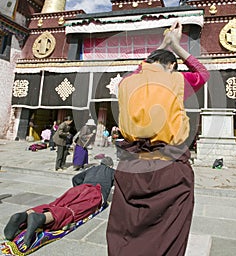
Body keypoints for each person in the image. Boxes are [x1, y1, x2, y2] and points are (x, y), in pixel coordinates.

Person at [106, 21, 210, 255]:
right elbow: (202, 74)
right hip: (168, 169)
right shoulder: (176, 80)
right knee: (168, 234)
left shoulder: (126, 83)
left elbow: (138, 72)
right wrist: (178, 46)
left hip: (130, 167)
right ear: (172, 66)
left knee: (126, 228)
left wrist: (163, 45)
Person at [3, 157, 115, 249]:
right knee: (73, 211)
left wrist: (78, 191)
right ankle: (41, 218)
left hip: (79, 189)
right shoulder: (111, 171)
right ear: (110, 166)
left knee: (57, 204)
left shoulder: (92, 169)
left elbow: (76, 178)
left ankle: (26, 214)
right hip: (94, 193)